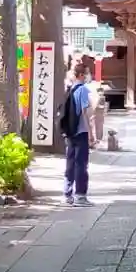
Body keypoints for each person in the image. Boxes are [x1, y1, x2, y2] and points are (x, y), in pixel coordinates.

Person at [60, 58, 93, 205]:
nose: (89, 76)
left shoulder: (70, 89)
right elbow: (85, 113)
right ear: (81, 75)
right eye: (87, 73)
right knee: (81, 164)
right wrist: (91, 133)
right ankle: (80, 195)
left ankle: (67, 193)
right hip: (81, 131)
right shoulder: (83, 90)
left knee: (70, 162)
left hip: (70, 131)